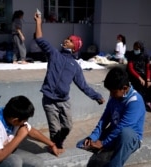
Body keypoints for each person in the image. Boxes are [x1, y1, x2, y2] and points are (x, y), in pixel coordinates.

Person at [33, 13, 105, 151]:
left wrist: (97, 96)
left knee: (67, 126)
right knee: (54, 128)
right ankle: (56, 146)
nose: (66, 40)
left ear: (74, 47)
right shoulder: (54, 54)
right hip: (49, 100)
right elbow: (40, 39)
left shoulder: (75, 66)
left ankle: (57, 142)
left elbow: (83, 86)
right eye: (66, 39)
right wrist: (38, 22)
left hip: (63, 101)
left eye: (70, 40)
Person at [76, 67, 146, 167]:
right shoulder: (114, 97)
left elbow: (122, 127)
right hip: (113, 133)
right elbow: (104, 119)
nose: (111, 95)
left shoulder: (135, 101)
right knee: (82, 144)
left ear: (125, 88)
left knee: (125, 133)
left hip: (129, 138)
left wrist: (104, 143)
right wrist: (93, 136)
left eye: (113, 92)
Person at [0, 95, 60, 167]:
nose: (26, 123)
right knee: (14, 162)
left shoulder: (10, 115)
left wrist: (52, 144)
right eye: (25, 120)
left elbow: (32, 131)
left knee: (37, 163)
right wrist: (19, 136)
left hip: (4, 150)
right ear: (15, 120)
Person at [126, 41, 151, 112]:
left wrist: (148, 79)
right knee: (136, 88)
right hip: (132, 75)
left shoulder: (145, 55)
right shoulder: (131, 54)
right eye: (134, 48)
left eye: (137, 48)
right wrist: (139, 78)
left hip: (142, 74)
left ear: (141, 48)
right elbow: (130, 68)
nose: (136, 50)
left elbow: (148, 68)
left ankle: (148, 101)